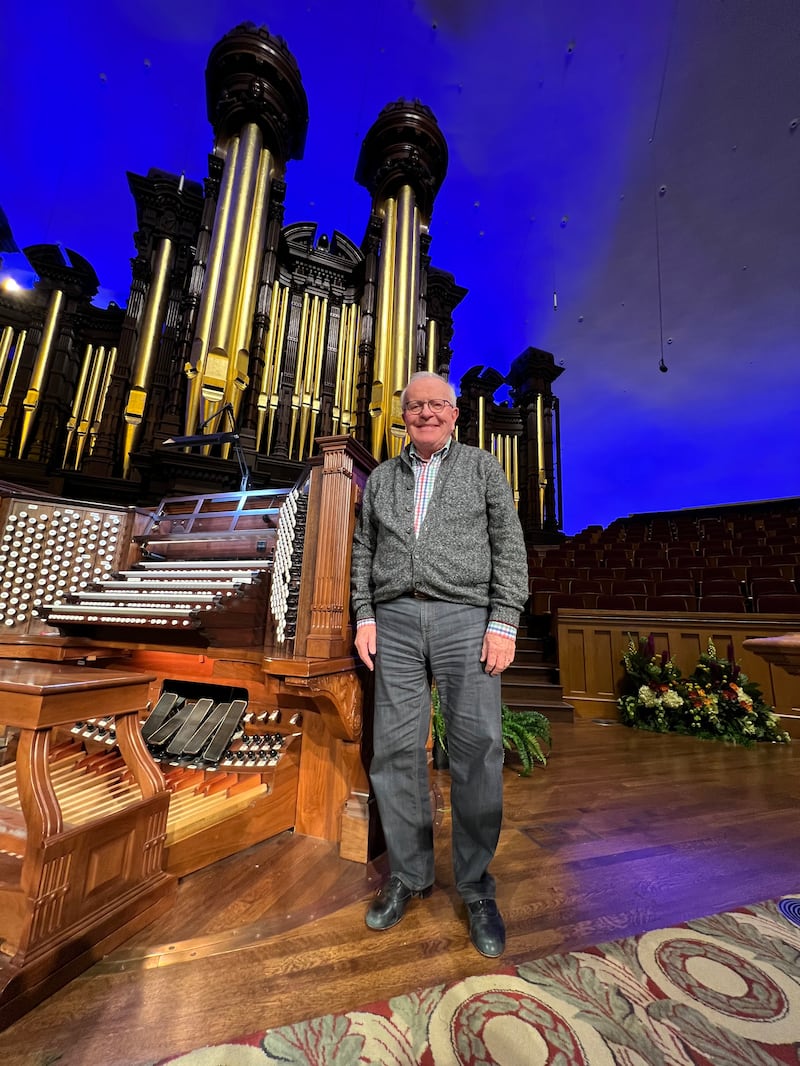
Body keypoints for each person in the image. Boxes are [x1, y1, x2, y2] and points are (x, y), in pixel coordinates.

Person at [350, 371, 528, 957]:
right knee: (395, 750)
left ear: (455, 414)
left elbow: (509, 544)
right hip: (395, 621)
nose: (425, 413)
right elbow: (362, 552)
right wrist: (365, 614)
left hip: (465, 618)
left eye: (436, 405)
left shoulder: (482, 468)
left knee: (477, 749)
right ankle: (409, 874)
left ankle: (476, 886)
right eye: (414, 405)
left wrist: (503, 620)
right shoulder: (380, 478)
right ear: (402, 415)